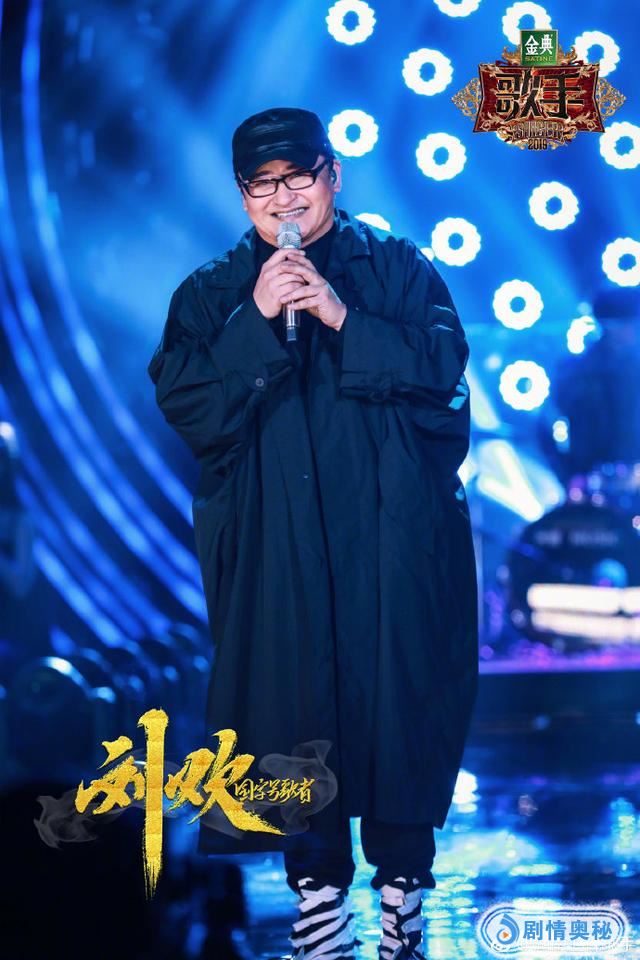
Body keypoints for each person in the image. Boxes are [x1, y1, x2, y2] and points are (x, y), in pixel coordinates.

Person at [148, 107, 478, 960]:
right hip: (279, 541)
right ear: (242, 196)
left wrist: (341, 317)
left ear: (333, 176)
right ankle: (319, 901)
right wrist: (254, 321)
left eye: (297, 177)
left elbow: (444, 370)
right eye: (261, 184)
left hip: (389, 536)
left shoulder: (395, 267)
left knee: (401, 696)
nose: (282, 198)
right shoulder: (213, 292)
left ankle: (402, 892)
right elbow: (187, 406)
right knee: (296, 705)